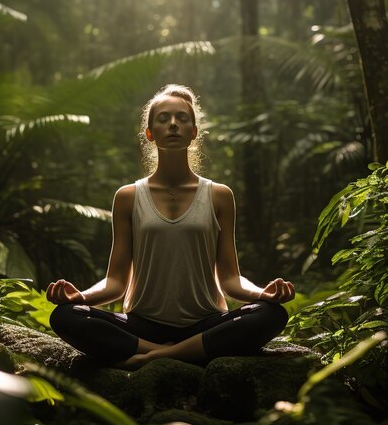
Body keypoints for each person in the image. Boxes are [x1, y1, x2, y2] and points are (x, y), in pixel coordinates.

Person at [47, 84, 295, 369]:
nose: (173, 124)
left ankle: (153, 357)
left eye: (182, 118)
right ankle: (184, 352)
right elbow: (116, 283)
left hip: (205, 323)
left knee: (271, 314)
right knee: (66, 315)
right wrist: (80, 296)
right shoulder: (128, 197)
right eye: (164, 119)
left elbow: (230, 280)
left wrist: (262, 294)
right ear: (150, 133)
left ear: (194, 132)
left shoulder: (219, 196)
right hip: (142, 325)